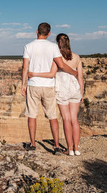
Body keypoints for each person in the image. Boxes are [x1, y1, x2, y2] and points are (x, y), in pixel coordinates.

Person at [21, 23, 78, 154]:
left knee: (32, 115)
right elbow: (61, 65)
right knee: (52, 117)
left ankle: (33, 143)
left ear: (37, 32)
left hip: (33, 85)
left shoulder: (28, 46)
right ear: (49, 34)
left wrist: (23, 85)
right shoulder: (53, 47)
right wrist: (74, 72)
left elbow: (25, 67)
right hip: (48, 86)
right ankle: (57, 146)